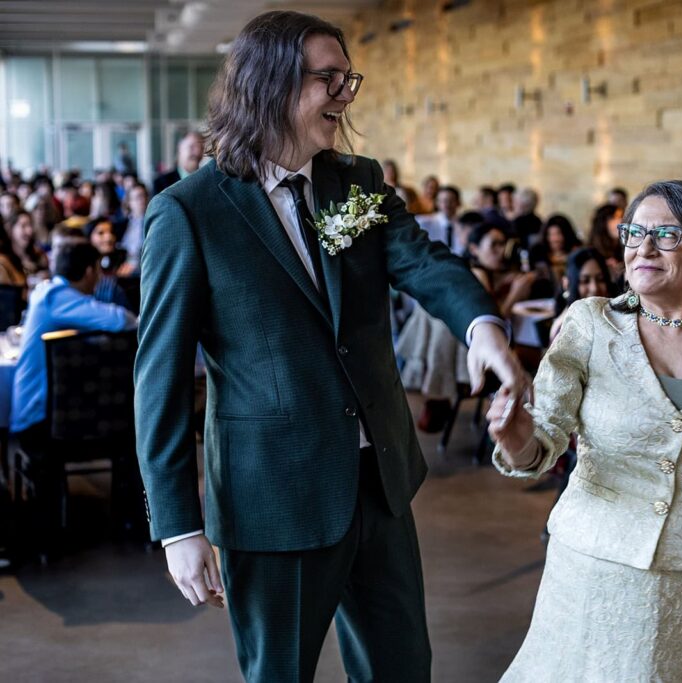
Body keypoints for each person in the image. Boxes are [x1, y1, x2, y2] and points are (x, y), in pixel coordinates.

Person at [134, 12, 524, 683]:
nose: (346, 96)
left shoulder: (359, 181)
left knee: (403, 668)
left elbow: (424, 261)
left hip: (380, 480)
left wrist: (481, 325)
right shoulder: (189, 212)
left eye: (349, 80)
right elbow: (159, 379)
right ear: (271, 85)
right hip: (273, 497)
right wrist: (178, 526)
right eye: (330, 80)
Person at [488, 180, 682, 681]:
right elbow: (544, 439)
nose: (644, 248)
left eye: (666, 235)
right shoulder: (591, 325)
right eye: (634, 233)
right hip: (593, 569)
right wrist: (515, 438)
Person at [11, 242, 136, 439]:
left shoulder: (46, 292)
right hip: (39, 418)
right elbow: (122, 320)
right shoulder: (57, 297)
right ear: (89, 271)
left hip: (37, 411)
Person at [467, 222, 536, 320]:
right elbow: (492, 320)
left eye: (503, 244)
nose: (502, 251)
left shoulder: (495, 273)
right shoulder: (477, 273)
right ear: (474, 249)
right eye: (494, 245)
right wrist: (515, 293)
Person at [529, 214, 580, 285]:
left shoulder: (577, 252)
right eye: (551, 234)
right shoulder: (538, 253)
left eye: (559, 234)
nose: (555, 239)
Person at [586, 202, 624, 284]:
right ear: (603, 223)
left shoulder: (625, 247)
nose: (621, 221)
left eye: (621, 217)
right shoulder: (591, 253)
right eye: (615, 218)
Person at [6, 209, 48, 282]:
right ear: (11, 229)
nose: (29, 231)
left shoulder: (39, 255)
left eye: (30, 225)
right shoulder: (5, 260)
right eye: (23, 226)